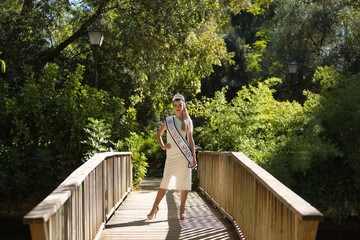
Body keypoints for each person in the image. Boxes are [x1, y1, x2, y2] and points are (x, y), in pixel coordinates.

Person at [147, 93, 197, 220]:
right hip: (171, 157)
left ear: (183, 105)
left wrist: (193, 157)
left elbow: (190, 141)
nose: (177, 107)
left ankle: (181, 210)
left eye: (180, 105)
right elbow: (159, 134)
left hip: (184, 156)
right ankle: (154, 208)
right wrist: (163, 146)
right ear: (173, 106)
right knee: (165, 183)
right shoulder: (168, 120)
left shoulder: (187, 121)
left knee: (184, 184)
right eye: (175, 105)